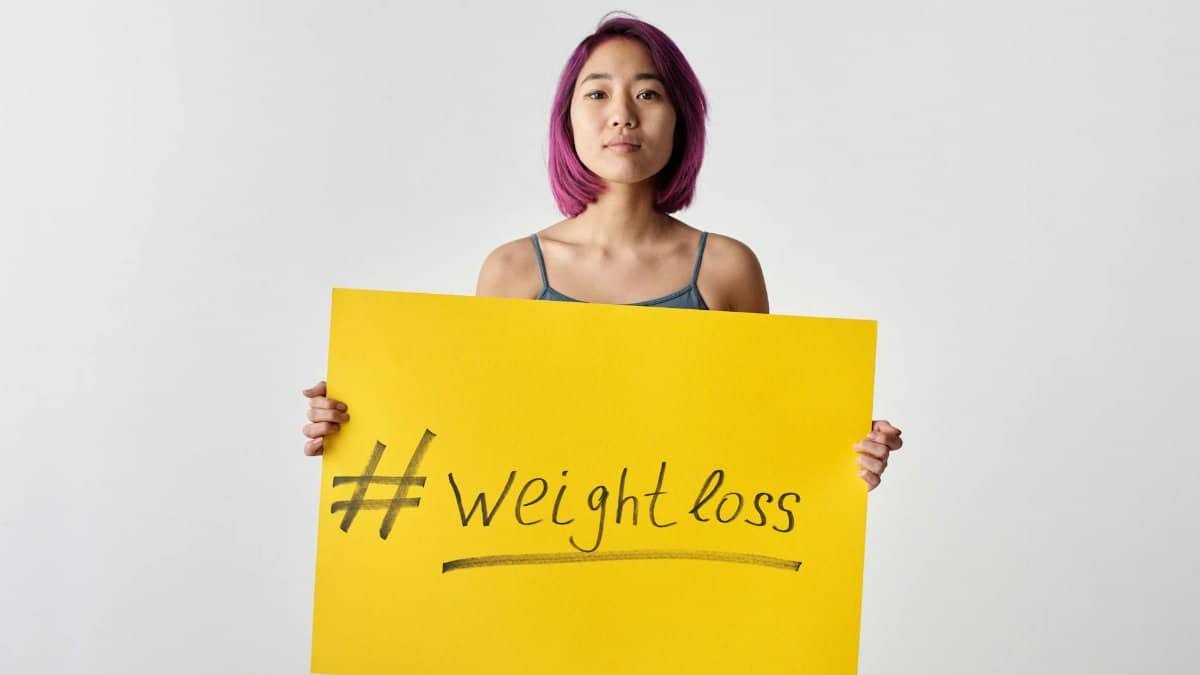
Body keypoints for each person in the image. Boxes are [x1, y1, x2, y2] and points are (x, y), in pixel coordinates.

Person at [300, 14, 903, 490]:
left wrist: (847, 457)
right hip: (539, 574)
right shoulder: (511, 272)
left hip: (684, 576)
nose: (622, 115)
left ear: (680, 120)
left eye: (648, 94)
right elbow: (473, 436)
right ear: (567, 120)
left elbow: (765, 439)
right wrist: (362, 420)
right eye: (597, 95)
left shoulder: (725, 269)